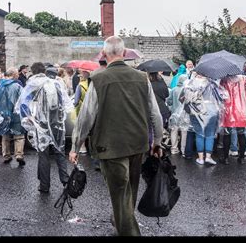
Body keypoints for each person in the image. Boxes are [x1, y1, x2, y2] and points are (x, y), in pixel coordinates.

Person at [69, 36, 163, 236]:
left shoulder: (98, 79)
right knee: (130, 190)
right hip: (138, 144)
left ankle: (128, 230)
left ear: (103, 54)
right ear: (124, 53)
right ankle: (119, 220)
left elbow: (85, 117)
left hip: (110, 146)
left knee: (120, 194)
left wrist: (75, 147)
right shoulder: (141, 78)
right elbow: (155, 114)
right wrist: (157, 142)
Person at [15, 62, 73, 193]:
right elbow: (66, 104)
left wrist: (29, 119)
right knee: (59, 152)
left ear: (34, 72)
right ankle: (66, 181)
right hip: (56, 123)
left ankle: (44, 185)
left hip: (40, 124)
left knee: (44, 155)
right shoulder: (55, 83)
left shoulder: (32, 84)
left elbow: (22, 105)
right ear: (44, 71)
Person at [181, 72, 227, 165]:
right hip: (211, 111)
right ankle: (208, 157)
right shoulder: (212, 83)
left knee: (199, 134)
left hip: (196, 111)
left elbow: (183, 98)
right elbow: (222, 97)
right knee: (210, 134)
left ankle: (201, 158)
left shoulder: (189, 83)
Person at [0, 67, 26, 165]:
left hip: (3, 114)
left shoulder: (0, 86)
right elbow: (24, 100)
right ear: (13, 74)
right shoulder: (17, 86)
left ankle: (6, 155)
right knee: (19, 135)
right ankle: (19, 154)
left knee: (5, 135)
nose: (18, 75)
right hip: (16, 114)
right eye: (17, 74)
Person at [219, 74, 246, 165]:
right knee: (241, 134)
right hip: (242, 110)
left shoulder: (224, 80)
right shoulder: (244, 79)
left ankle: (225, 158)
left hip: (228, 110)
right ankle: (241, 158)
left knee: (227, 134)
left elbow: (221, 95)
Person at [166, 74, 188, 154]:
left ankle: (174, 148)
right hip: (185, 115)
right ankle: (183, 149)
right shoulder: (187, 90)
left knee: (174, 131)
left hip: (174, 114)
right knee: (184, 131)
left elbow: (169, 101)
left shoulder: (174, 89)